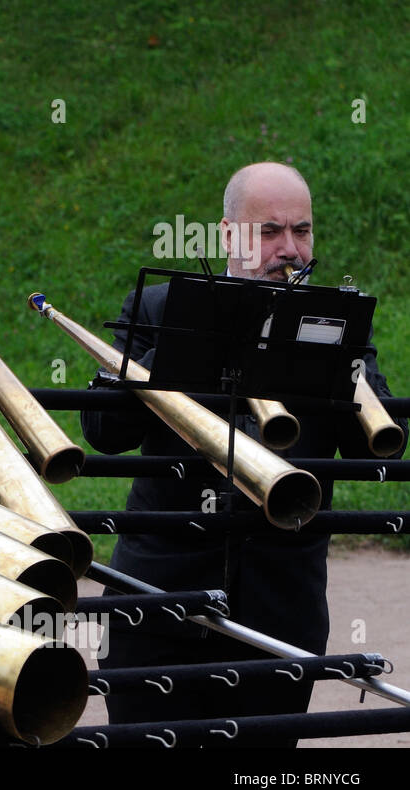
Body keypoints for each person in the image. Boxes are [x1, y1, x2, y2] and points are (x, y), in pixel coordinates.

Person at [82, 162, 406, 741]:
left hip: (280, 609)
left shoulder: (334, 320)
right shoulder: (158, 308)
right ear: (228, 235)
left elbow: (374, 451)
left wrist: (340, 362)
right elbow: (104, 430)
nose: (290, 249)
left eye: (302, 231)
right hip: (158, 601)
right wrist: (187, 346)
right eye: (270, 232)